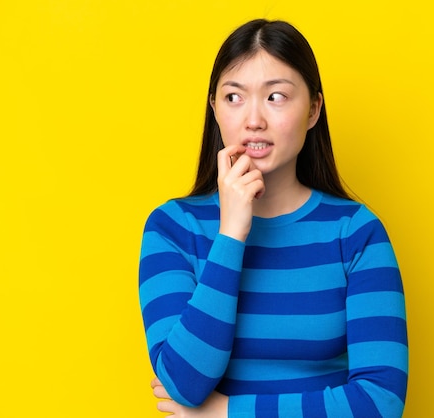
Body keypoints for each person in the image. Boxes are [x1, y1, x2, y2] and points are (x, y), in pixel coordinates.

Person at [139, 19, 408, 417]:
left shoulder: (357, 233)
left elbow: (380, 402)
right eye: (233, 97)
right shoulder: (173, 228)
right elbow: (184, 383)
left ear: (314, 109)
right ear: (214, 107)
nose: (253, 120)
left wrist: (228, 413)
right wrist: (231, 234)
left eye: (276, 97)